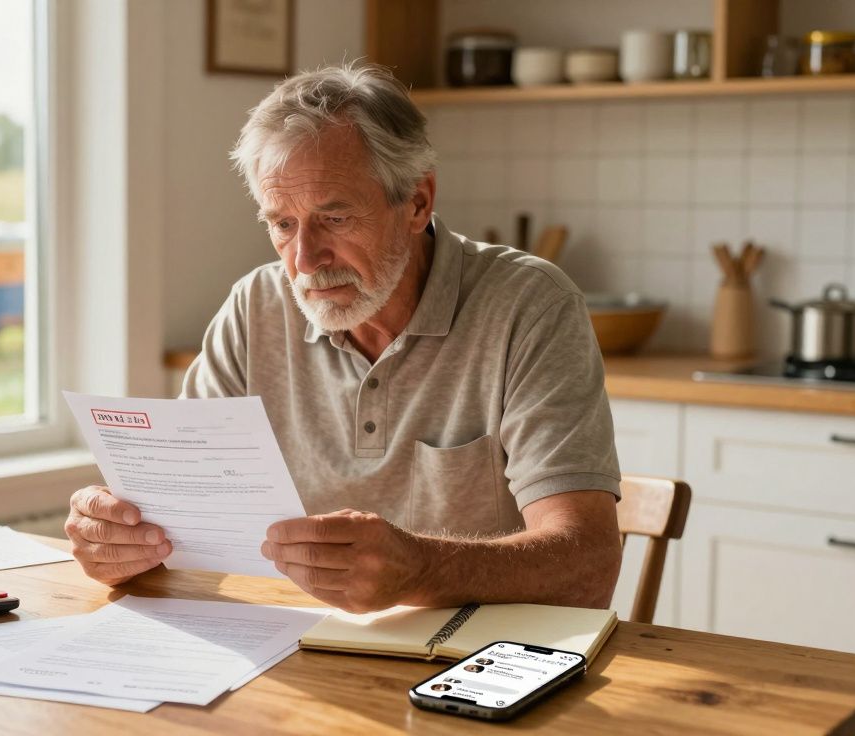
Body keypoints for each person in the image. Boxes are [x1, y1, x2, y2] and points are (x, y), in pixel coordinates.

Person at [65, 62, 623, 614]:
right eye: (282, 224)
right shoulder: (255, 306)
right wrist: (120, 541)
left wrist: (422, 569)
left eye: (335, 219)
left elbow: (589, 565)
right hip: (294, 650)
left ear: (417, 203)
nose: (305, 261)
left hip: (478, 660)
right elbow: (181, 525)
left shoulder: (530, 305)